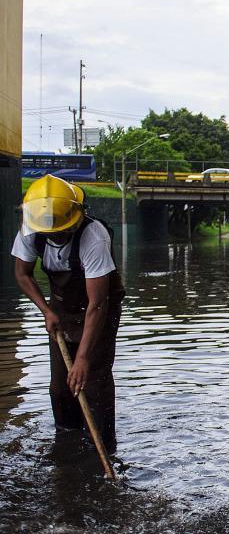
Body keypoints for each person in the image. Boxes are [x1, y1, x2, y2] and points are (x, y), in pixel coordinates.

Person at [12, 174, 124, 452]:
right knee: (62, 386)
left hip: (99, 309)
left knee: (92, 378)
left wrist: (83, 357)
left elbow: (97, 304)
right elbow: (23, 274)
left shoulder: (94, 237)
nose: (54, 234)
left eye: (60, 230)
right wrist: (46, 310)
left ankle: (103, 446)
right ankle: (67, 442)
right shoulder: (31, 227)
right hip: (60, 309)